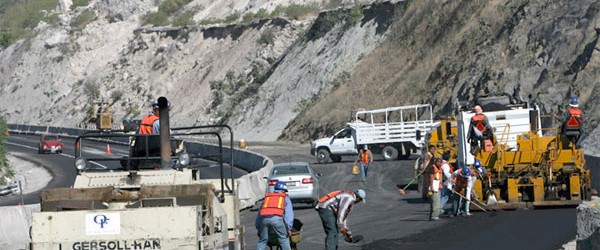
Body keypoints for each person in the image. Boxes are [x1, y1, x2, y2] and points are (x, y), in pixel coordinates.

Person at [256, 181, 294, 250]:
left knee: (262, 240)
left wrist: (258, 228)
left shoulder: (267, 197)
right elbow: (288, 215)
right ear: (283, 191)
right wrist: (289, 228)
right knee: (283, 239)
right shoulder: (285, 198)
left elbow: (259, 214)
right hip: (277, 219)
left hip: (264, 219)